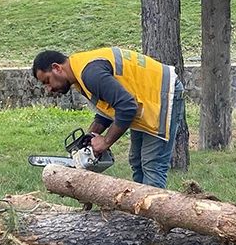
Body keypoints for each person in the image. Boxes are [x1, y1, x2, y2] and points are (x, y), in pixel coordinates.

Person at [32, 47, 185, 189]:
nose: (49, 89)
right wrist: (92, 134)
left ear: (56, 68)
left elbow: (126, 107)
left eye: (47, 81)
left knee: (152, 164)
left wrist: (105, 142)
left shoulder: (90, 74)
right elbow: (110, 105)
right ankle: (140, 212)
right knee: (137, 162)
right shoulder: (80, 73)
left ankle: (153, 215)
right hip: (145, 99)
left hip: (163, 94)